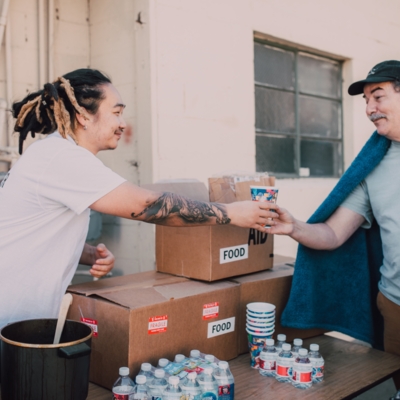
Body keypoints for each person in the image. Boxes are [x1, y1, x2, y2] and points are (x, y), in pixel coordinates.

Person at [0, 68, 274, 332]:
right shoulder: (62, 157)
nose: (122, 123)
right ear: (83, 115)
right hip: (8, 316)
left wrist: (87, 254)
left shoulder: (54, 154)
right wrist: (232, 214)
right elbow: (147, 206)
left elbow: (29, 230)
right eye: (116, 112)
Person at [265, 60, 400, 388]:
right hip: (395, 304)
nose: (369, 108)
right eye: (366, 100)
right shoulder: (375, 166)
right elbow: (335, 232)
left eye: (378, 97)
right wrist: (294, 226)